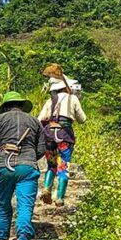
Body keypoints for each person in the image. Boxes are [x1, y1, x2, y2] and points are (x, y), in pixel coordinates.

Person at [0, 91, 45, 240]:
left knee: (2, 206)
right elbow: (41, 149)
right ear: (22, 105)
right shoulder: (35, 122)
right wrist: (28, 157)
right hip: (27, 167)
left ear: (5, 106)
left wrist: (5, 154)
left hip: (4, 166)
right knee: (25, 206)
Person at [38, 69, 87, 206]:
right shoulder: (73, 98)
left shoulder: (49, 101)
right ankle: (59, 197)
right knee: (63, 166)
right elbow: (82, 119)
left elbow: (40, 118)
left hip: (49, 135)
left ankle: (47, 188)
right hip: (65, 135)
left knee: (51, 165)